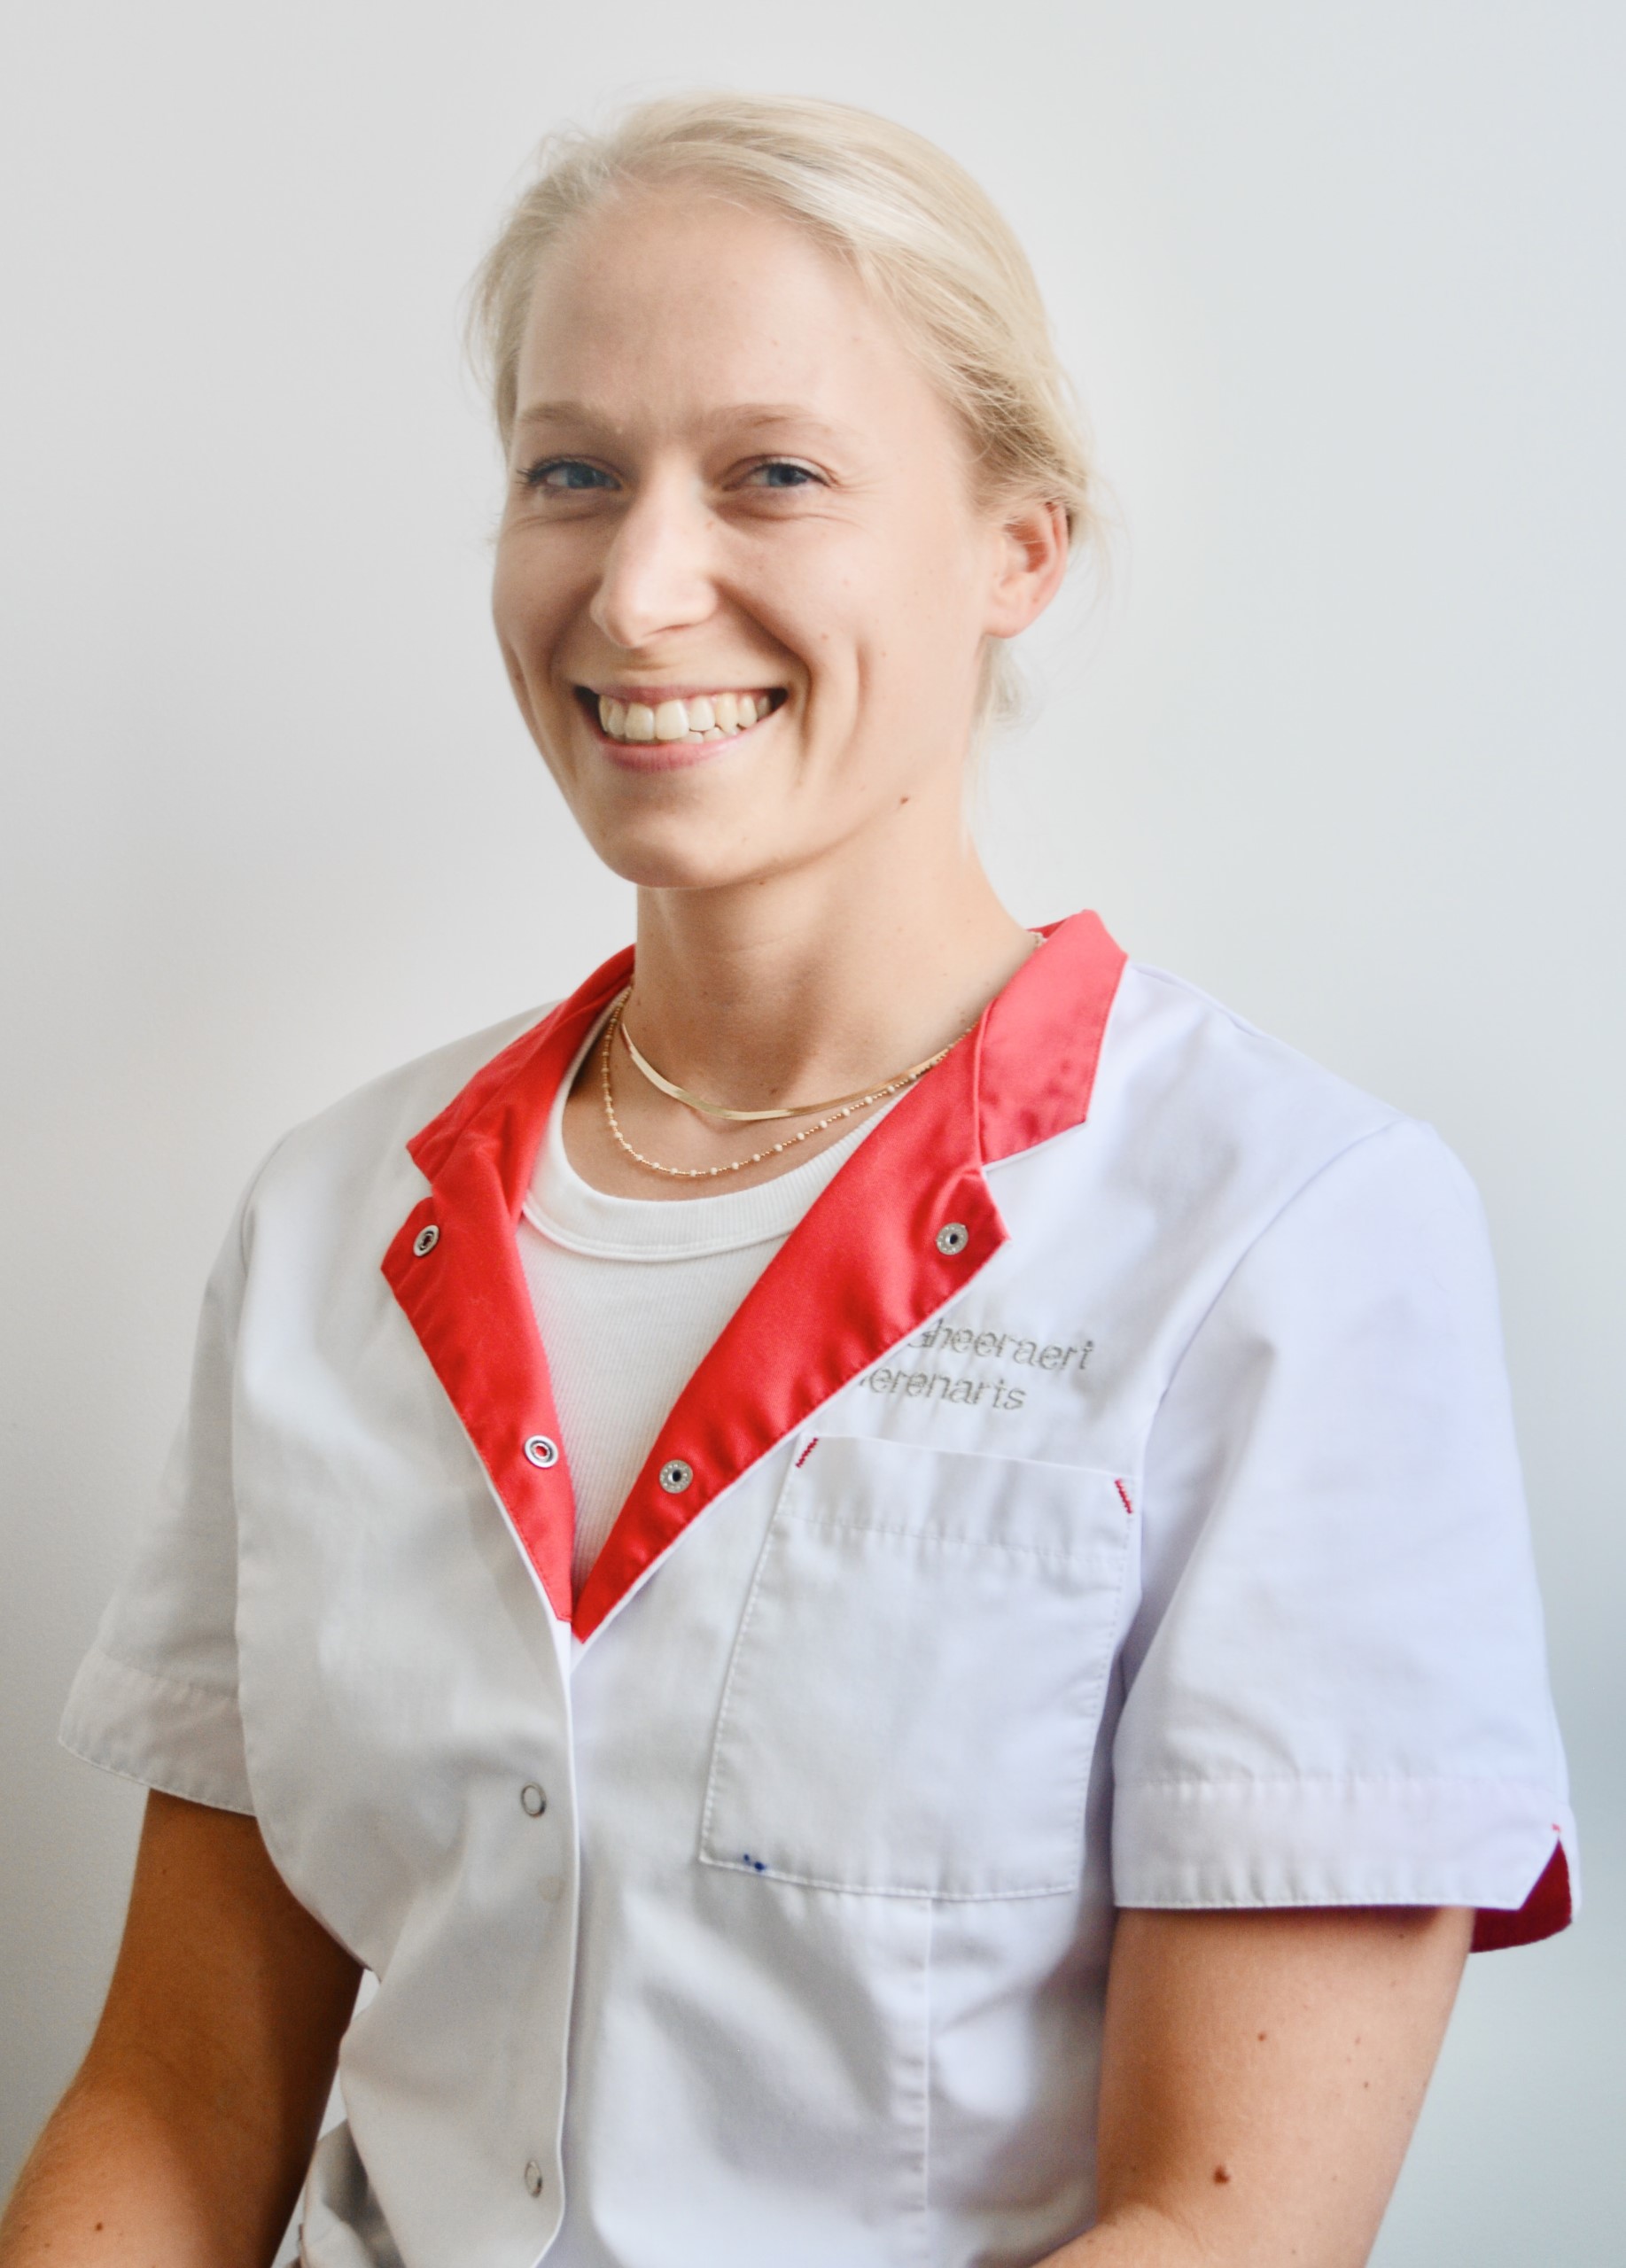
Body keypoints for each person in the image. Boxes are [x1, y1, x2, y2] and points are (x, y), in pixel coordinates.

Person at [0, 93, 1573, 2268]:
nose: (640, 586)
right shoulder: (331, 1223)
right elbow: (179, 2104)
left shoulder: (1285, 1236)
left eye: (774, 474)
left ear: (1018, 547)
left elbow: (1224, 2226)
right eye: (571, 472)